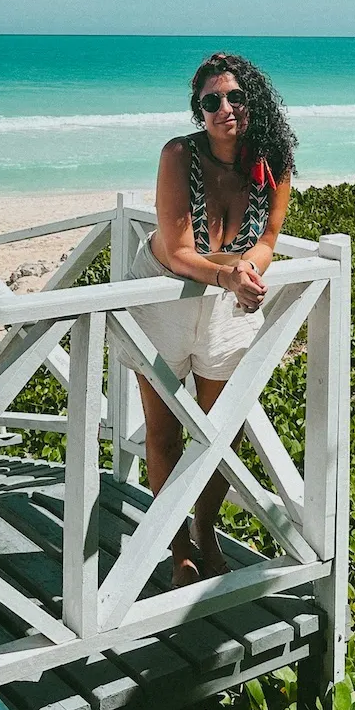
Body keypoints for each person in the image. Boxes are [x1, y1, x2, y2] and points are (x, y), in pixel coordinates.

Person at [119, 51, 296, 586]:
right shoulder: (179, 155)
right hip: (164, 296)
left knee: (222, 431)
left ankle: (206, 527)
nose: (225, 109)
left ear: (252, 101)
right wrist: (229, 275)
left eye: (235, 97)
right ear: (199, 111)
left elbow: (268, 240)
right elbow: (178, 252)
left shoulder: (273, 162)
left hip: (227, 300)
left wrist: (248, 270)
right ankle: (178, 548)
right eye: (211, 101)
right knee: (165, 430)